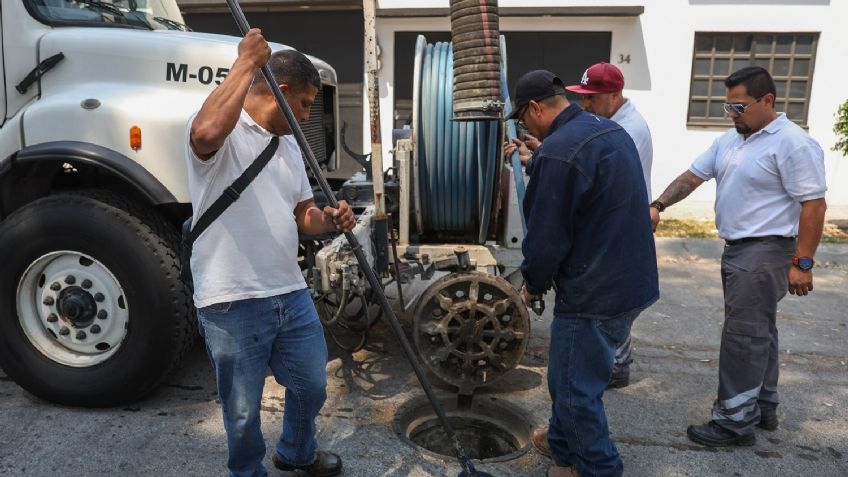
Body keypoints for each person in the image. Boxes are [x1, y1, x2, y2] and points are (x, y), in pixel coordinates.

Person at [186, 29, 354, 477]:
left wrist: (329, 219)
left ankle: (296, 451)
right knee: (241, 413)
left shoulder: (289, 146)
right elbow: (204, 133)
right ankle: (247, 472)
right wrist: (244, 61)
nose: (306, 115)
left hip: (288, 291)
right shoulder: (223, 129)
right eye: (303, 104)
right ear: (280, 91)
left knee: (311, 385)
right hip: (232, 298)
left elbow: (303, 215)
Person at [649, 66, 827, 447]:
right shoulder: (732, 140)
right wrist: (659, 203)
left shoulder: (792, 143)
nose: (732, 114)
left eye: (740, 107)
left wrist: (803, 263)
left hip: (766, 250)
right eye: (727, 106)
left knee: (743, 337)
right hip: (739, 250)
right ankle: (762, 407)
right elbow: (692, 176)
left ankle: (733, 423)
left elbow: (813, 204)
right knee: (759, 331)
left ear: (768, 101)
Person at [511, 69, 659, 477]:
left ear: (536, 108)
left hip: (596, 291)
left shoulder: (559, 152)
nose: (523, 125)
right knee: (571, 371)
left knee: (574, 389)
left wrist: (533, 284)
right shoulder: (608, 130)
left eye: (523, 118)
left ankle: (598, 468)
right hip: (632, 280)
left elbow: (546, 240)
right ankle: (562, 447)